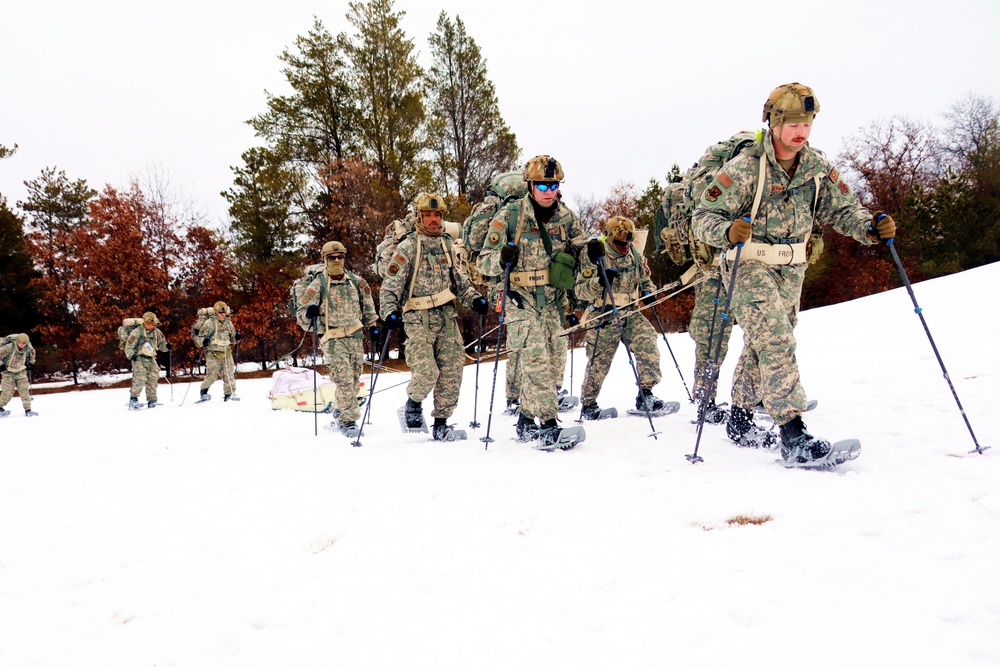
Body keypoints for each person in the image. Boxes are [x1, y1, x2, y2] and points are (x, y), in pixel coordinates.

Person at [692, 82, 895, 465]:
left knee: (760, 344)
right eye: (793, 123)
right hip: (747, 264)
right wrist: (726, 232)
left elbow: (843, 209)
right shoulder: (746, 168)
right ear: (774, 122)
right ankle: (793, 433)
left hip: (792, 268)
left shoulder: (817, 167)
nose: (801, 132)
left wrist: (870, 228)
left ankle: (740, 417)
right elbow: (703, 216)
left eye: (807, 123)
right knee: (775, 340)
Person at [477, 155, 588, 448]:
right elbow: (483, 261)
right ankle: (549, 425)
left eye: (553, 185)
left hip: (552, 301)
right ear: (530, 185)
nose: (548, 191)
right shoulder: (511, 215)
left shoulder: (566, 217)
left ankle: (527, 417)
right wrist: (501, 260)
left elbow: (581, 251)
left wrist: (594, 253)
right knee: (535, 358)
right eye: (541, 185)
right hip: (519, 299)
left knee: (553, 365)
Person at [380, 193, 490, 441]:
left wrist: (474, 298)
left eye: (437, 215)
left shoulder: (447, 245)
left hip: (447, 317)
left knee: (452, 370)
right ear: (419, 217)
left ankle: (441, 422)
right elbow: (390, 285)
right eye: (428, 215)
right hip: (418, 319)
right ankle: (413, 403)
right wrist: (389, 312)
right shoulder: (408, 247)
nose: (433, 220)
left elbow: (460, 281)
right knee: (427, 371)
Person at [576, 216, 673, 418]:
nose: (625, 247)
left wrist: (648, 292)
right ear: (610, 238)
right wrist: (600, 282)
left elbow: (645, 279)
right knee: (599, 360)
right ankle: (588, 404)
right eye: (621, 243)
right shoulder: (594, 255)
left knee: (648, 343)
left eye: (628, 242)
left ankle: (646, 394)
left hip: (630, 312)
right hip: (604, 313)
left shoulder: (634, 255)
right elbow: (579, 291)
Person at [300, 240, 378, 437]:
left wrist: (374, 327)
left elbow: (368, 308)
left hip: (354, 336)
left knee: (353, 378)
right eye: (331, 257)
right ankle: (349, 419)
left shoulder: (358, 282)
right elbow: (302, 315)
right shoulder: (317, 285)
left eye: (339, 257)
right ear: (324, 259)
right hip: (332, 337)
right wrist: (310, 313)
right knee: (342, 378)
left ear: (344, 257)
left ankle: (340, 409)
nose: (336, 260)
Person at [197, 301, 240, 402]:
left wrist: (237, 338)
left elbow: (233, 339)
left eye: (224, 313)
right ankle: (204, 391)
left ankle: (229, 394)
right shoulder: (209, 323)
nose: (222, 315)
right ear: (216, 312)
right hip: (213, 353)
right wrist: (204, 341)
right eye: (220, 313)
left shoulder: (228, 323)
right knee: (212, 374)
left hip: (226, 352)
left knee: (229, 374)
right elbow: (200, 338)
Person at [125, 313, 169, 409]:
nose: (150, 326)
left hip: (151, 356)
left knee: (153, 378)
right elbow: (128, 347)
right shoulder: (136, 332)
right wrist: (132, 355)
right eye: (148, 324)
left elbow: (162, 343)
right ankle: (133, 399)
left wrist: (167, 347)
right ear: (144, 323)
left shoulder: (157, 332)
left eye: (152, 324)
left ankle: (152, 400)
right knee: (140, 379)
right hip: (139, 357)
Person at [0, 333, 38, 417]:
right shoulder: (9, 347)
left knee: (24, 391)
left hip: (21, 371)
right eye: (22, 343)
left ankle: (28, 410)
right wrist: (1, 365)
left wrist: (30, 363)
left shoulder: (28, 347)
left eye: (25, 344)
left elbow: (32, 354)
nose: (23, 345)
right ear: (17, 341)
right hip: (8, 373)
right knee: (7, 392)